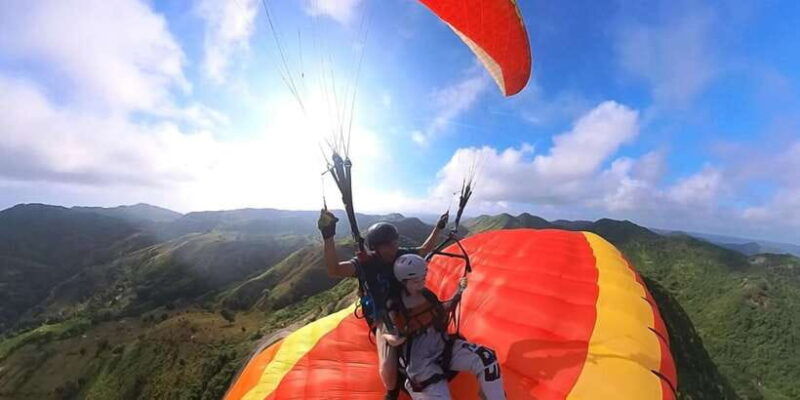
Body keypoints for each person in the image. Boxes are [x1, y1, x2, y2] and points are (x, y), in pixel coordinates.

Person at [319, 210, 449, 400]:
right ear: (375, 248)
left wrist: (438, 227)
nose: (393, 248)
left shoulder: (400, 255)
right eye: (387, 245)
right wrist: (328, 236)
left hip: (404, 304)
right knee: (390, 352)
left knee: (432, 306)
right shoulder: (366, 263)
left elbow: (423, 250)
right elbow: (334, 270)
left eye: (394, 242)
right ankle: (391, 392)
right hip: (382, 313)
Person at [383, 254, 505, 400]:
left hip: (441, 344)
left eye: (423, 277)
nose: (422, 282)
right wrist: (395, 337)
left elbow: (441, 309)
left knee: (486, 358)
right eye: (416, 281)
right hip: (420, 361)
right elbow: (388, 333)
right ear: (404, 281)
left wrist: (458, 292)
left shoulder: (427, 294)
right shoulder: (395, 305)